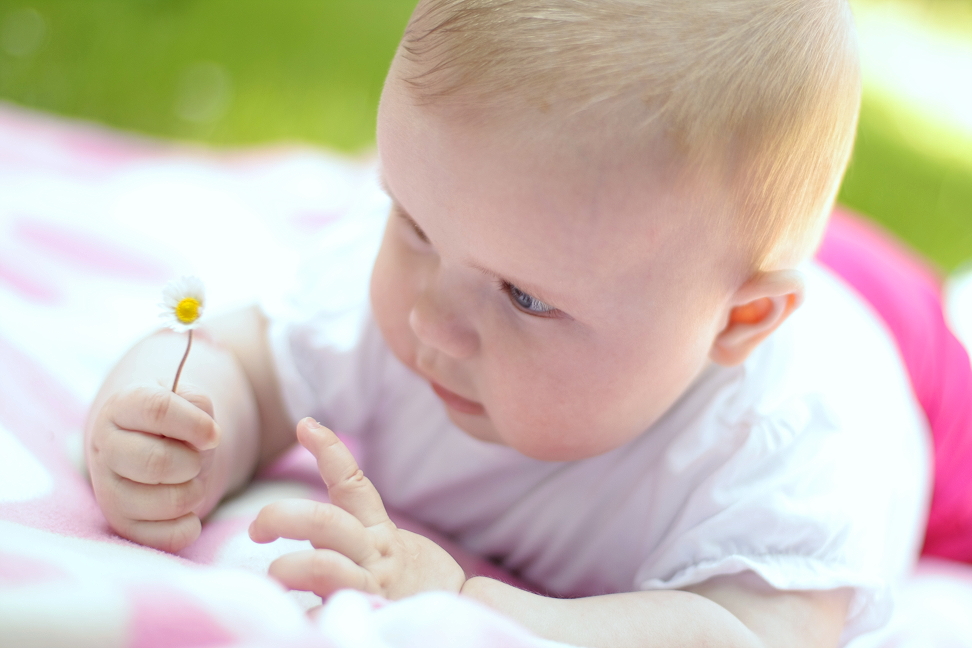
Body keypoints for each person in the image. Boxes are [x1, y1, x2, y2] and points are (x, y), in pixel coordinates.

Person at [83, 1, 932, 646]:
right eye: (411, 222)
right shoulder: (448, 284)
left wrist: (468, 608)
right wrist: (172, 424)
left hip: (908, 355)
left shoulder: (785, 465)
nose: (432, 322)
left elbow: (743, 632)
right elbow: (247, 359)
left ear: (740, 320)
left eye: (524, 298)